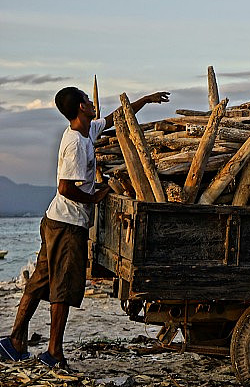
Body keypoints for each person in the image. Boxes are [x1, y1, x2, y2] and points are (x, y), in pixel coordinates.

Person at [0, 86, 169, 368]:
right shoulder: (75, 144)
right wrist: (94, 197)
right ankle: (54, 353)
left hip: (57, 221)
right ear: (80, 107)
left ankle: (15, 341)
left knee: (40, 279)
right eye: (88, 100)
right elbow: (65, 188)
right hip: (67, 225)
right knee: (63, 288)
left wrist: (144, 101)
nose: (93, 104)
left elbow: (116, 119)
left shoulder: (87, 131)